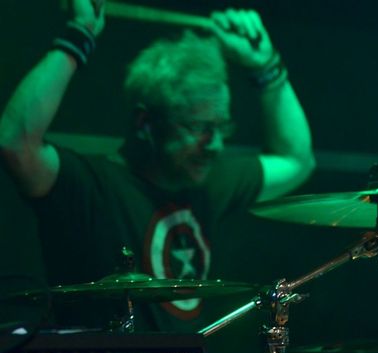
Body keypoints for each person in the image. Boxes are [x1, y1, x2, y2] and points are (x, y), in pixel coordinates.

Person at [0, 0, 315, 332]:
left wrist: (266, 68)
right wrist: (78, 36)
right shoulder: (90, 187)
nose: (215, 144)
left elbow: (297, 160)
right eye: (198, 128)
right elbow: (14, 142)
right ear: (145, 122)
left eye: (221, 127)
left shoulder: (208, 182)